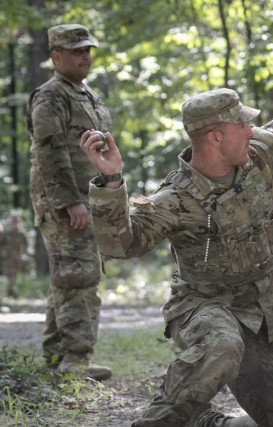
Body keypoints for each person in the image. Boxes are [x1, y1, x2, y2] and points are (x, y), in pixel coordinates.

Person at [81, 44, 273, 427]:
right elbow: (120, 245)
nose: (251, 129)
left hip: (256, 317)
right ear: (214, 137)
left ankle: (207, 422)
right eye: (241, 125)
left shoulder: (258, 153)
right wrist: (111, 181)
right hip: (202, 309)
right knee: (224, 345)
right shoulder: (175, 197)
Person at [26, 24, 112, 381]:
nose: (85, 57)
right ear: (56, 56)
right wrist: (70, 202)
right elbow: (50, 154)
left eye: (87, 50)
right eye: (76, 51)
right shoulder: (50, 96)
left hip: (87, 197)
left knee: (67, 276)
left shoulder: (87, 94)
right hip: (65, 202)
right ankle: (76, 361)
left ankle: (56, 358)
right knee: (79, 276)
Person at [1, 214, 29, 298]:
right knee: (9, 275)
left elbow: (26, 244)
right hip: (7, 259)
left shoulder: (22, 233)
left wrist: (25, 254)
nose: (14, 224)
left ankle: (11, 292)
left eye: (16, 222)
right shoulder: (7, 233)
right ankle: (11, 293)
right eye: (13, 222)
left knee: (14, 275)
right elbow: (1, 242)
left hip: (17, 258)